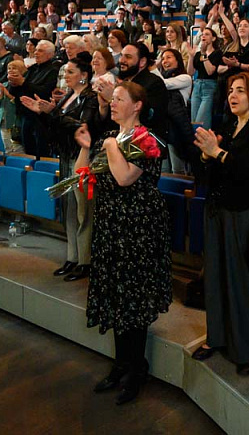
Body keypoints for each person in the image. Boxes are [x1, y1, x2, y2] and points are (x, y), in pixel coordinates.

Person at [77, 82, 171, 406]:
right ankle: (121, 364)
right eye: (112, 98)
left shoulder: (147, 139)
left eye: (120, 99)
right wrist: (87, 146)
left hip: (138, 229)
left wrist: (109, 146)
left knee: (134, 300)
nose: (112, 103)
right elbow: (83, 174)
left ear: (137, 105)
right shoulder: (111, 139)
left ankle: (136, 369)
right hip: (112, 227)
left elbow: (124, 177)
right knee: (118, 297)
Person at [191, 73, 249, 375]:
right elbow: (208, 169)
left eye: (240, 90)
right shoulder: (226, 126)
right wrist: (205, 156)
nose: (233, 96)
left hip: (246, 212)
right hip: (217, 209)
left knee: (243, 281)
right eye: (230, 91)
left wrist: (218, 153)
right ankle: (217, 338)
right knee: (215, 276)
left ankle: (248, 349)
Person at [23, 54, 99, 282]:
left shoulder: (90, 98)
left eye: (70, 72)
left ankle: (85, 260)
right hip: (65, 155)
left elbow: (82, 126)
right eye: (64, 72)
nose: (65, 76)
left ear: (84, 76)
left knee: (83, 210)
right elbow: (56, 128)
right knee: (69, 208)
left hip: (82, 157)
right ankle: (72, 256)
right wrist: (43, 115)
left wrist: (52, 112)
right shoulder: (67, 96)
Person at [8, 40, 61, 156]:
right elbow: (16, 93)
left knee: (41, 153)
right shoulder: (32, 69)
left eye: (40, 51)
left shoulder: (53, 71)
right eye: (36, 50)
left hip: (41, 119)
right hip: (26, 116)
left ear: (50, 54)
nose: (36, 53)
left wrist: (22, 82)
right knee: (28, 151)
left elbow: (44, 92)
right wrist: (13, 83)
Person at [156, 48, 194, 174]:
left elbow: (164, 84)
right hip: (162, 127)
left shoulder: (185, 78)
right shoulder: (158, 78)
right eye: (163, 58)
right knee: (164, 170)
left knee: (177, 169)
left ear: (178, 60)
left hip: (176, 128)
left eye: (169, 57)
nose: (165, 61)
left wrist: (152, 69)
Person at [0, 59, 27, 153]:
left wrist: (8, 95)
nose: (10, 70)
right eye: (9, 68)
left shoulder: (24, 86)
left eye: (14, 68)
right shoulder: (5, 85)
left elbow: (22, 103)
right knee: (8, 149)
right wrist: (1, 95)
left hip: (16, 122)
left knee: (18, 149)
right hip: (4, 121)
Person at [189, 28, 221, 131]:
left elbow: (210, 71)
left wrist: (203, 53)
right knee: (194, 121)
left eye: (207, 34)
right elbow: (190, 72)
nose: (203, 36)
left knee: (202, 122)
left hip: (209, 86)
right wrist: (191, 56)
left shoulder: (217, 53)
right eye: (202, 34)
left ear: (213, 38)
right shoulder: (198, 54)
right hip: (197, 86)